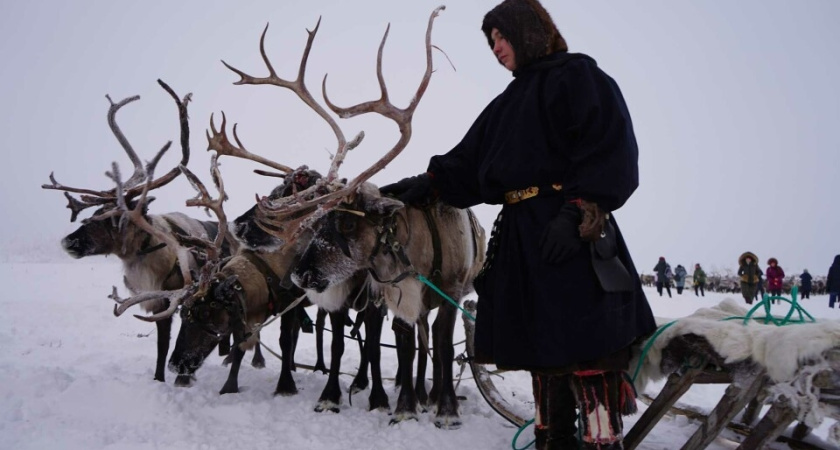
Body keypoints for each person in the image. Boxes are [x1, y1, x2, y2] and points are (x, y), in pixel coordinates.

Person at [379, 1, 657, 448]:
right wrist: (427, 182)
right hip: (523, 236)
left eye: (501, 37)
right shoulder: (508, 102)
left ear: (529, 31)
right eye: (490, 41)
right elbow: (467, 163)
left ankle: (602, 440)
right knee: (540, 346)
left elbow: (611, 147)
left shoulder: (579, 77)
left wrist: (579, 209)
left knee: (587, 343)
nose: (496, 48)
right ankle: (553, 439)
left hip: (573, 229)